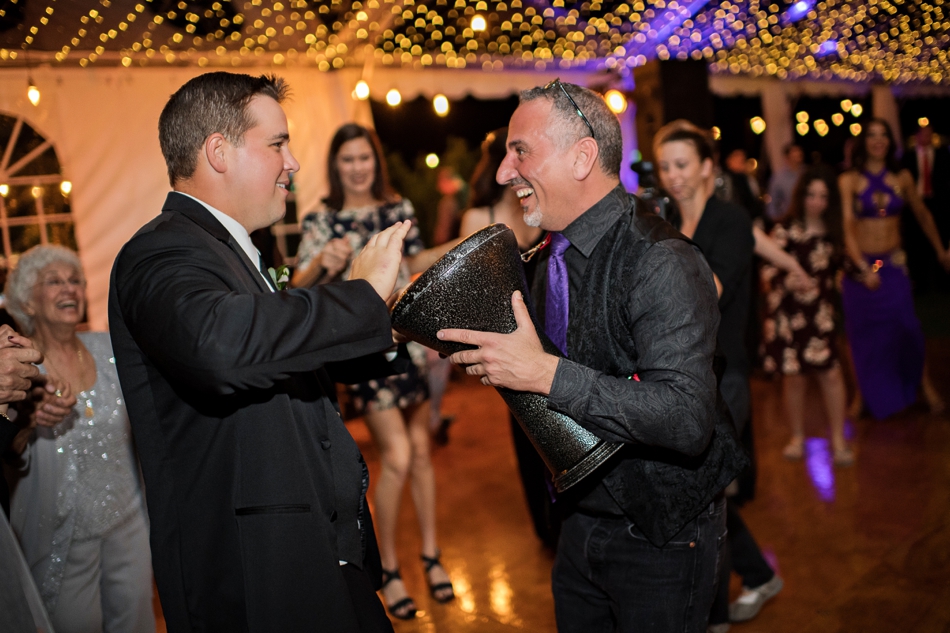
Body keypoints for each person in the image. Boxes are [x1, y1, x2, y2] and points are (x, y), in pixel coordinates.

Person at [439, 80, 748, 632]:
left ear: (582, 157)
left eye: (520, 151)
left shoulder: (661, 260)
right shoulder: (546, 257)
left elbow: (686, 418)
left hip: (662, 534)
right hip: (577, 523)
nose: (505, 172)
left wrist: (546, 373)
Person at [109, 72, 413, 632]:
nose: (292, 163)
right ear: (218, 152)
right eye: (277, 144)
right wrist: (361, 295)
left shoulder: (235, 249)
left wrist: (392, 329)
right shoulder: (158, 252)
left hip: (319, 553)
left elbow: (278, 355)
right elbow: (220, 346)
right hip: (258, 578)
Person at [291, 123, 456, 621]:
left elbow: (413, 261)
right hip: (365, 352)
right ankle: (389, 570)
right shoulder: (323, 218)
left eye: (364, 157)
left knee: (421, 453)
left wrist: (458, 246)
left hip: (408, 344)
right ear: (335, 165)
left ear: (375, 160)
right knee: (398, 457)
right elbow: (297, 285)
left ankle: (431, 555)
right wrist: (324, 262)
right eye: (348, 159)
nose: (358, 167)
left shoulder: (397, 207)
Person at [654, 120, 791, 629]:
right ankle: (758, 575)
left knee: (704, 495)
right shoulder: (668, 218)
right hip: (681, 373)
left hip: (725, 372)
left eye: (682, 164)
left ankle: (714, 617)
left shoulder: (729, 219)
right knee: (703, 494)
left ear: (708, 167)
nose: (673, 176)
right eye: (665, 166)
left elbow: (708, 290)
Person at [4, 245, 154, 633]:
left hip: (129, 526)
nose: (69, 288)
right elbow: (8, 454)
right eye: (54, 281)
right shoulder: (18, 369)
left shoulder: (112, 348)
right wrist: (27, 420)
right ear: (27, 301)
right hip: (60, 538)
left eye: (75, 280)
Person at [458, 128, 558, 547]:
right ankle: (548, 533)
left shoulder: (545, 210)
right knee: (529, 435)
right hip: (511, 346)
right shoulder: (477, 218)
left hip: (556, 339)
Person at [839, 118, 950, 419]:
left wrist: (941, 251)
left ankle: (923, 385)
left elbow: (923, 214)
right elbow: (848, 226)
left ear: (890, 141)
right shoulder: (849, 180)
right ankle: (861, 395)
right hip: (863, 267)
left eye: (883, 135)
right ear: (863, 142)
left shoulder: (902, 177)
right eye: (872, 135)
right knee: (861, 333)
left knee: (908, 328)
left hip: (892, 264)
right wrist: (863, 268)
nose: (878, 140)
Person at [760, 168, 853, 466]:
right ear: (801, 196)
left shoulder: (833, 232)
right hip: (791, 315)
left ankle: (838, 439)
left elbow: (845, 266)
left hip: (821, 315)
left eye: (823, 196)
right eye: (811, 195)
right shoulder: (786, 229)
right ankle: (797, 437)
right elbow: (766, 272)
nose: (816, 202)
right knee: (795, 379)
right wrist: (787, 281)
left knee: (832, 375)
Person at [900, 124, 950, 294]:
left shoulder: (943, 155)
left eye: (930, 134)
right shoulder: (908, 157)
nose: (927, 137)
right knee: (916, 243)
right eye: (924, 134)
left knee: (940, 237)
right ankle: (919, 281)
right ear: (917, 136)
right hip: (915, 203)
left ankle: (943, 280)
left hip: (938, 204)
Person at [767, 144, 806, 220]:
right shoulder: (778, 178)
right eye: (794, 157)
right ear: (787, 158)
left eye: (799, 156)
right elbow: (772, 202)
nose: (797, 160)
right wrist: (775, 219)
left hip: (806, 217)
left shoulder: (806, 174)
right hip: (787, 218)